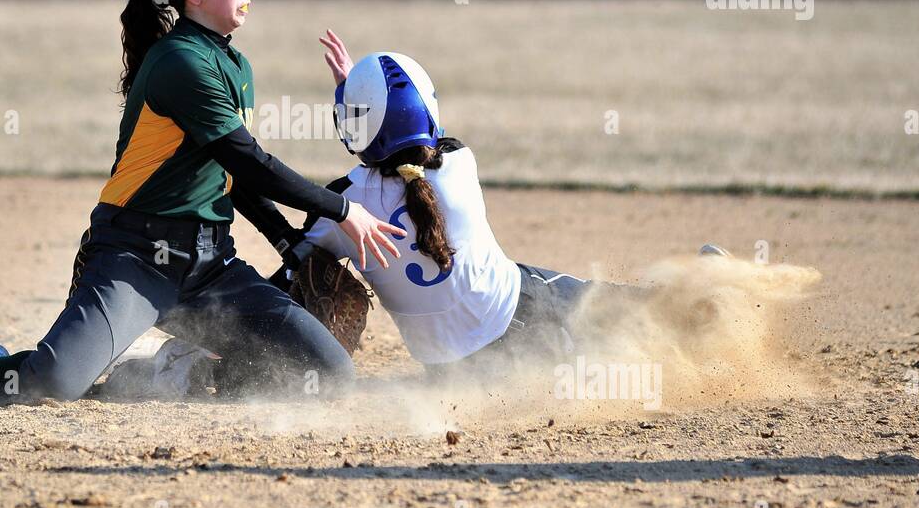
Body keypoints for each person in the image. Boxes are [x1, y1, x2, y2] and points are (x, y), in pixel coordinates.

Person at [0, 0, 405, 404]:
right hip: (133, 262)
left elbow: (229, 171)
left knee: (327, 372)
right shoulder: (181, 61)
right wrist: (341, 210)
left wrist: (284, 239)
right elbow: (250, 161)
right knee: (51, 384)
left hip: (211, 270)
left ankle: (175, 373)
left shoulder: (235, 65)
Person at [277, 30, 728, 383]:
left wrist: (353, 97)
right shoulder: (457, 166)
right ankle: (698, 304)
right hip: (527, 319)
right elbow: (416, 147)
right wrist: (363, 96)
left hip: (450, 376)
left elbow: (288, 273)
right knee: (602, 307)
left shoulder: (339, 209)